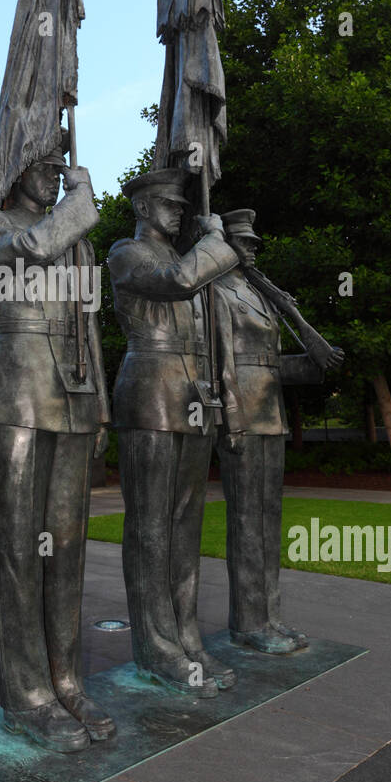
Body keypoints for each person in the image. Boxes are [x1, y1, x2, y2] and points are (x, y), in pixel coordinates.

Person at [0, 136, 115, 752]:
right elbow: (25, 250)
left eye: (60, 170)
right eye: (42, 167)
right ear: (13, 169)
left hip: (74, 395)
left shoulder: (77, 241)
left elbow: (90, 322)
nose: (53, 177)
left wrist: (101, 402)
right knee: (16, 548)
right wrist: (80, 206)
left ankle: (66, 680)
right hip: (17, 390)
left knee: (68, 548)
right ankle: (27, 695)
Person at [107, 169, 239, 697]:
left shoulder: (184, 258)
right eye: (168, 203)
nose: (179, 211)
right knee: (150, 527)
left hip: (192, 395)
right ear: (142, 208)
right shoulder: (126, 253)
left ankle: (187, 638)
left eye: (182, 205)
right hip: (151, 392)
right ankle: (157, 647)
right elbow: (179, 282)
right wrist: (214, 240)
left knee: (185, 526)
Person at [214, 209, 344, 653]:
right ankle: (249, 622)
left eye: (254, 243)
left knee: (269, 522)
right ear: (226, 244)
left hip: (270, 415)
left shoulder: (264, 296)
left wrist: (313, 365)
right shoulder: (217, 292)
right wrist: (230, 417)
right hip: (243, 417)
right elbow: (221, 365)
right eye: (244, 242)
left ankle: (269, 615)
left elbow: (269, 365)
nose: (251, 249)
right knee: (247, 522)